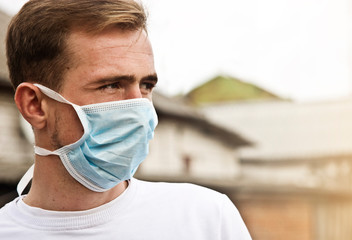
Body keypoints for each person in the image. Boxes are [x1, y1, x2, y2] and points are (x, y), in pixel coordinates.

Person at [0, 0, 252, 239]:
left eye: (146, 85)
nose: (140, 108)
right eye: (111, 85)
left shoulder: (206, 218)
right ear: (35, 105)